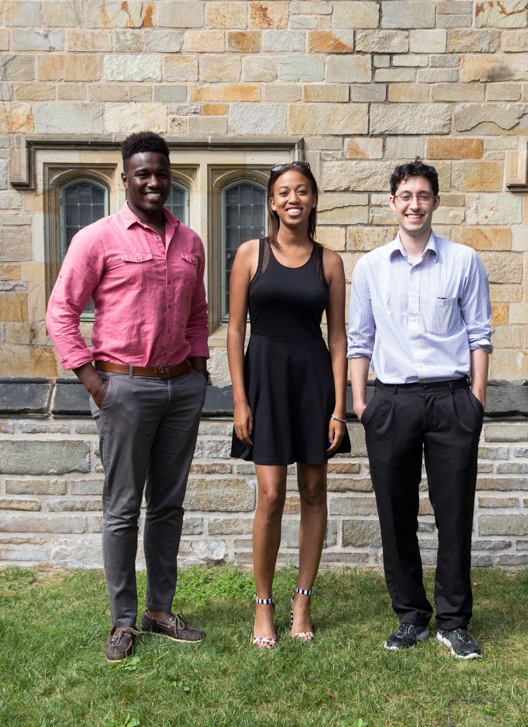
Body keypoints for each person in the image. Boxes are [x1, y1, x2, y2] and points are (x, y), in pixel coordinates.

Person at [45, 132, 210, 662]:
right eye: (143, 174)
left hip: (180, 387)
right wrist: (94, 382)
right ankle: (122, 621)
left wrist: (200, 371)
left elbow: (200, 313)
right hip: (125, 387)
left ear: (171, 175)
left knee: (168, 505)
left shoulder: (190, 243)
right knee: (122, 509)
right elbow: (61, 312)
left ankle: (160, 611)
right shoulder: (97, 238)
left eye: (161, 173)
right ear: (125, 178)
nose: (154, 182)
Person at [347, 158, 493, 659]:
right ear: (393, 203)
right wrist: (361, 403)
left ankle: (454, 621)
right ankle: (410, 616)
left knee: (454, 514)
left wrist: (476, 402)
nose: (414, 204)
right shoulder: (369, 268)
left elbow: (479, 335)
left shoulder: (464, 261)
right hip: (392, 402)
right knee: (396, 514)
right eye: (405, 196)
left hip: (452, 400)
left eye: (423, 195)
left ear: (435, 202)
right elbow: (359, 340)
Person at [227, 161, 350, 649]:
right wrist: (239, 399)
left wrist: (340, 408)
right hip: (265, 381)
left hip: (313, 381)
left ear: (313, 200)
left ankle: (302, 601)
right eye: (284, 192)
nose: (293, 198)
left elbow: (339, 338)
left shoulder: (330, 262)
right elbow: (235, 331)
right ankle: (264, 606)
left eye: (302, 191)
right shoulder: (250, 255)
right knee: (272, 494)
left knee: (315, 490)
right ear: (273, 203)